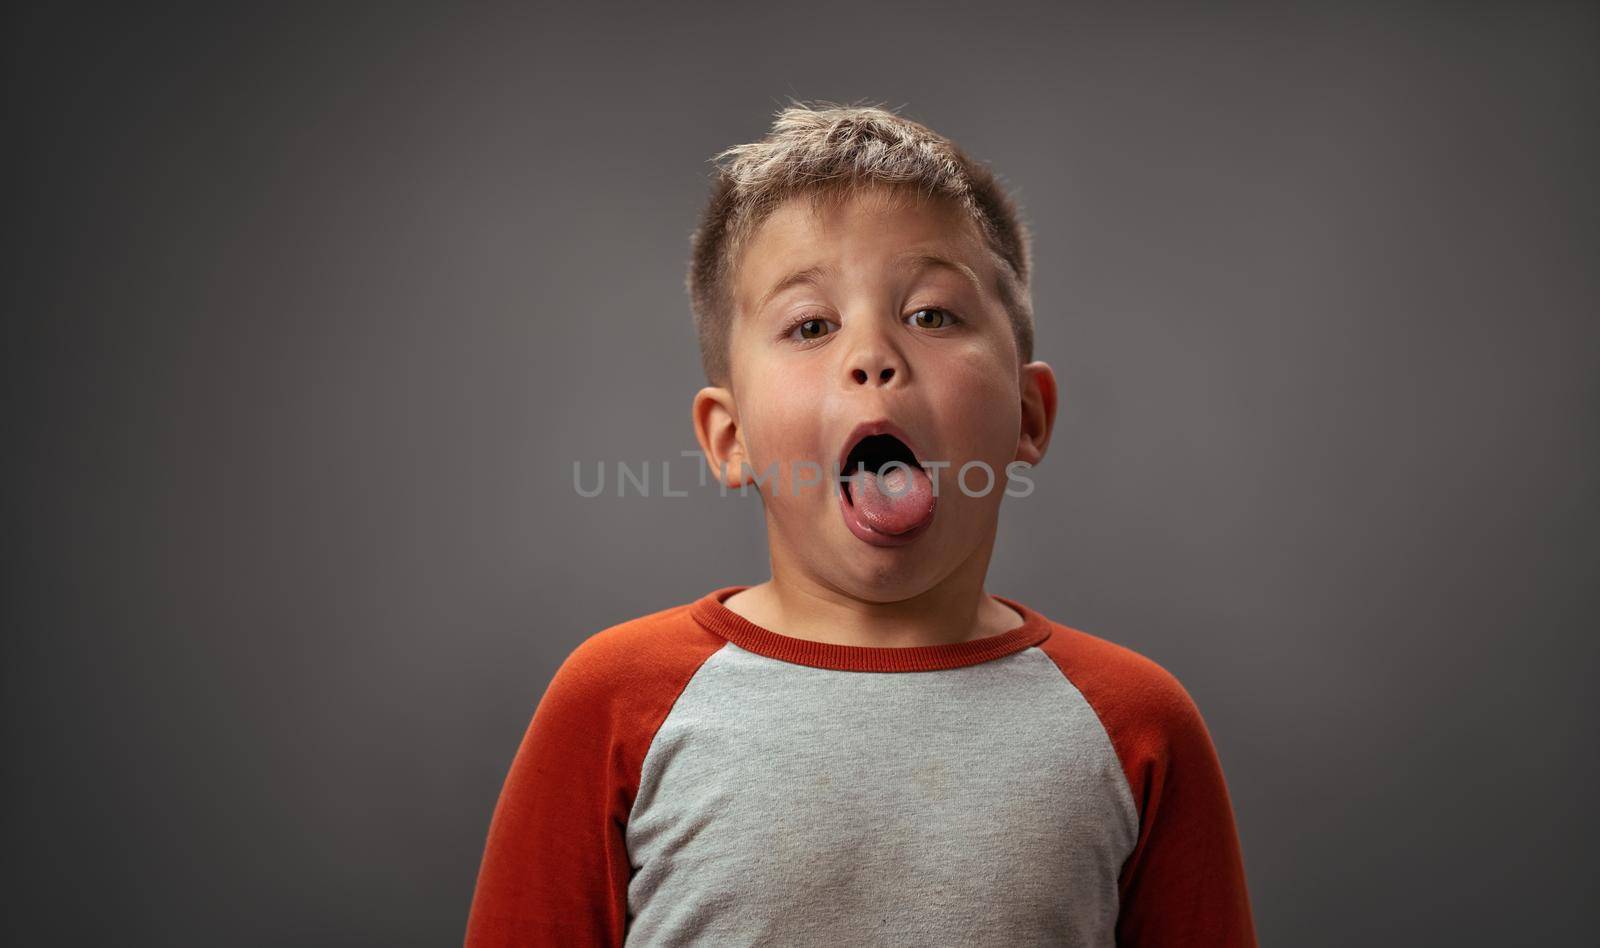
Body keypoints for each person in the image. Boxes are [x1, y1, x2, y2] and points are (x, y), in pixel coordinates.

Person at [464, 101, 1257, 947]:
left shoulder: (1136, 724)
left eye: (932, 315)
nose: (871, 354)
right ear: (730, 440)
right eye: (811, 326)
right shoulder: (614, 701)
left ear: (1027, 416)